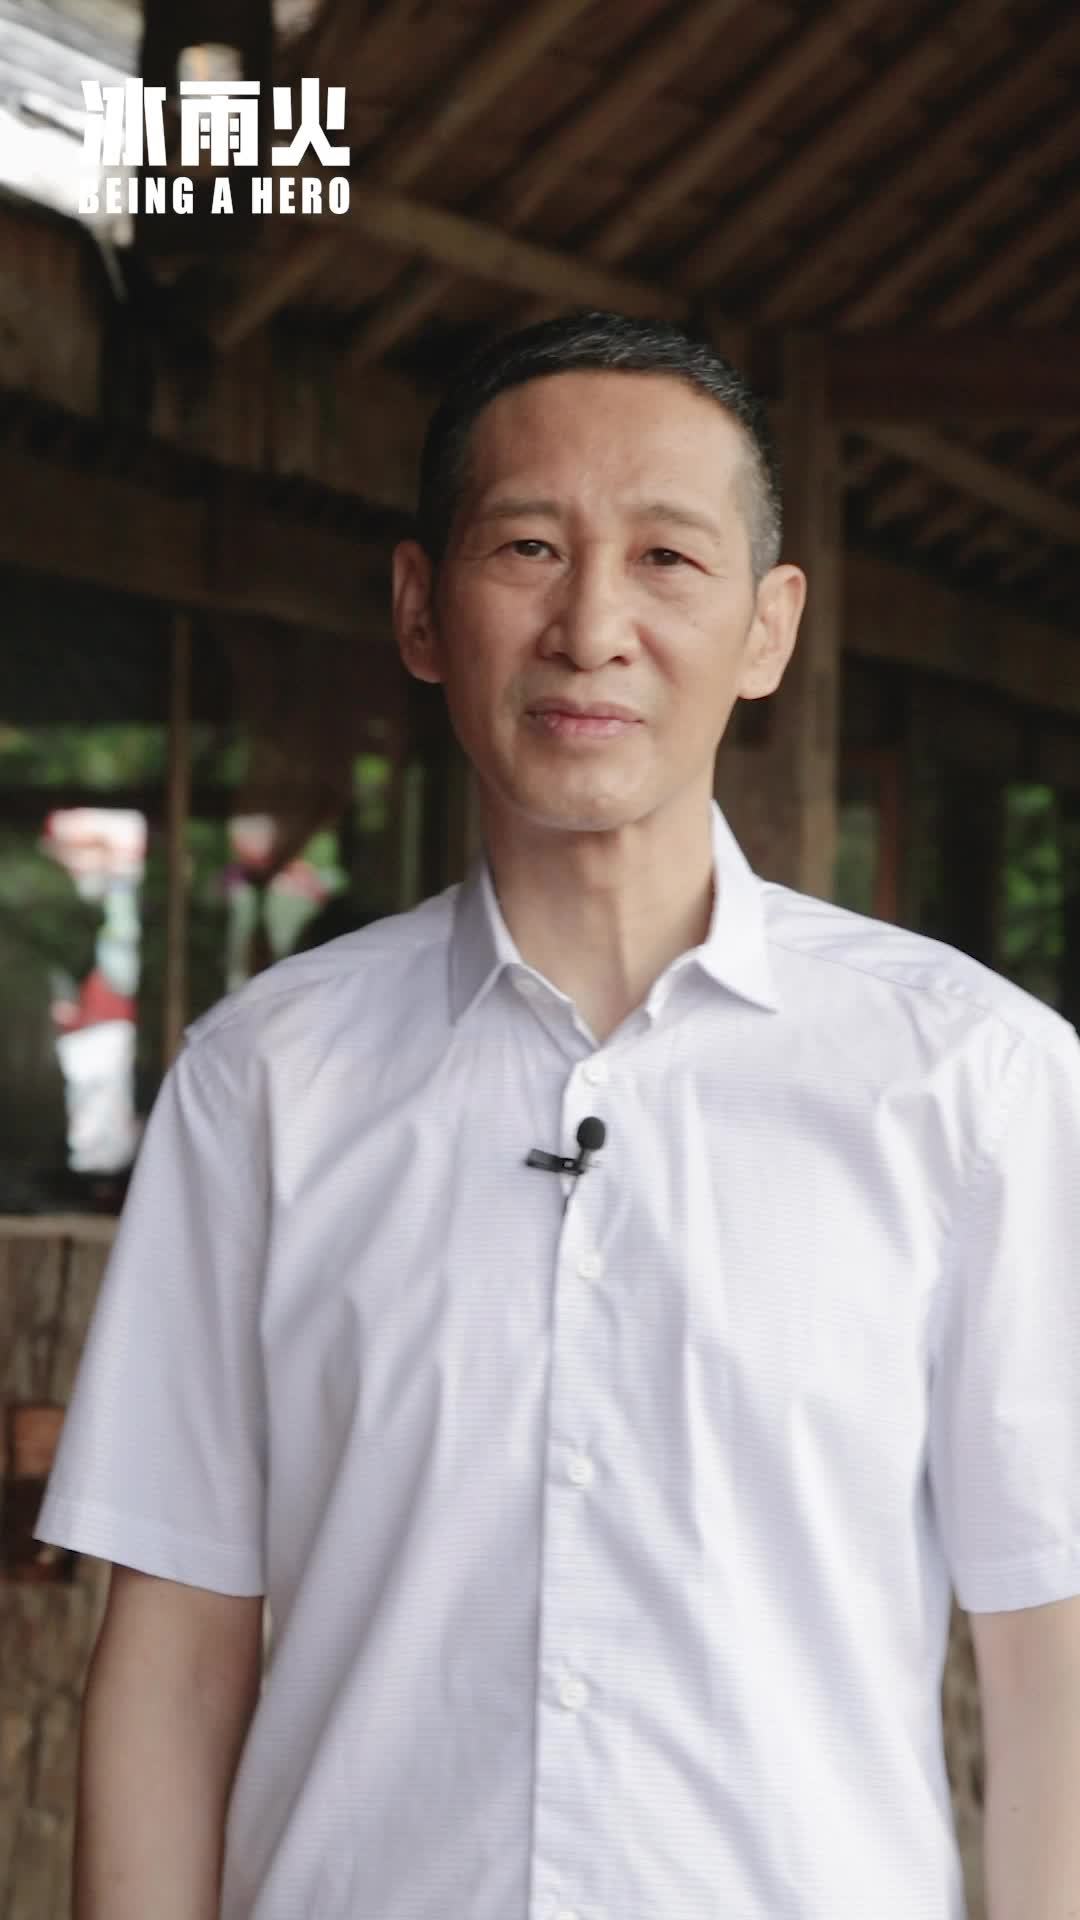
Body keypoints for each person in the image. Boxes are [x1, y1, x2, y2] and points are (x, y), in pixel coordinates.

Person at [37, 310, 1080, 1920]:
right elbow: (173, 1650)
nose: (593, 625)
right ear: (421, 608)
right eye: (529, 547)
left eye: (668, 558)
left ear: (768, 628)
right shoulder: (263, 1083)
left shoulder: (975, 1082)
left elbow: (1049, 1653)